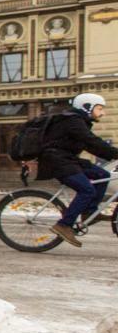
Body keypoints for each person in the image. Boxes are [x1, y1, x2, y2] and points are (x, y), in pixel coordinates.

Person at [38, 93, 118, 247]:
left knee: (103, 174)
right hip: (56, 161)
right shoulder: (73, 121)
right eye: (99, 108)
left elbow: (91, 145)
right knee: (87, 190)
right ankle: (63, 225)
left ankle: (89, 212)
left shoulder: (80, 121)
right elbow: (91, 141)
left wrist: (113, 155)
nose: (102, 112)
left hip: (68, 159)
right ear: (87, 107)